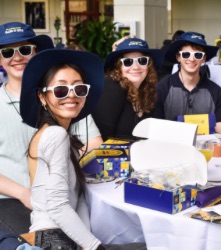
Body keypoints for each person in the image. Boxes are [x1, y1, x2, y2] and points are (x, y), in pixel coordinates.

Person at [20, 49, 147, 250]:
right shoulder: (55, 135)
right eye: (61, 90)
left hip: (65, 237)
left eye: (79, 89)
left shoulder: (50, 133)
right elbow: (58, 206)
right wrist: (94, 247)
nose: (71, 95)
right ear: (42, 97)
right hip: (55, 240)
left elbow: (73, 201)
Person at [0, 21, 101, 235]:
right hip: (11, 200)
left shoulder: (65, 97)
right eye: (8, 52)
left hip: (63, 197)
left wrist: (62, 167)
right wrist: (22, 193)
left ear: (36, 53)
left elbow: (94, 143)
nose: (17, 57)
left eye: (25, 49)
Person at [154, 31, 221, 133]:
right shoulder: (162, 89)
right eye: (186, 54)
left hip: (205, 148)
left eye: (198, 55)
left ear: (204, 59)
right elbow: (156, 130)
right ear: (178, 57)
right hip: (171, 147)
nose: (192, 59)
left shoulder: (216, 91)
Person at [92, 37, 164, 141]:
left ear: (148, 66)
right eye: (128, 62)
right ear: (118, 66)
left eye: (142, 61)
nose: (136, 67)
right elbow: (104, 137)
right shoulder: (112, 87)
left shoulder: (149, 90)